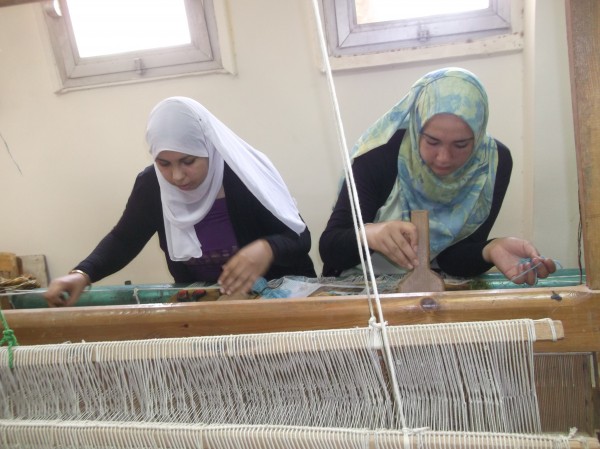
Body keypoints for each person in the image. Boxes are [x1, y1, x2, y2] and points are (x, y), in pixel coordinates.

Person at [44, 97, 315, 307]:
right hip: (209, 303)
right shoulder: (152, 185)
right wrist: (82, 273)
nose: (177, 176)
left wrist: (267, 248)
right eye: (164, 163)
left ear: (207, 147)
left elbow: (299, 237)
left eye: (188, 161)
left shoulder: (244, 173)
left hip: (279, 300)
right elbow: (124, 239)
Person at [319, 67, 556, 285]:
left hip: (436, 285)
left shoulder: (491, 163)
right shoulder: (378, 155)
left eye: (461, 145)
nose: (443, 158)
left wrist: (490, 249)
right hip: (362, 282)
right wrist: (368, 235)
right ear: (416, 127)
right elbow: (330, 249)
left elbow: (453, 260)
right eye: (432, 142)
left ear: (478, 135)